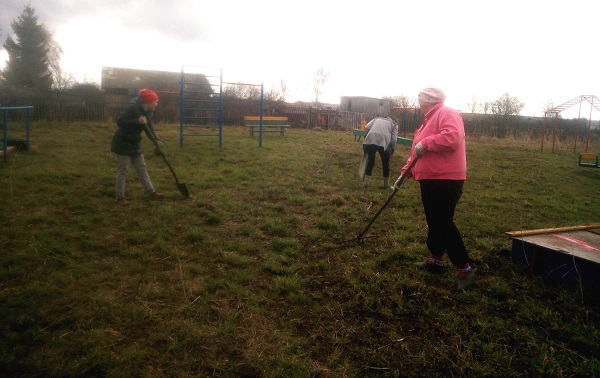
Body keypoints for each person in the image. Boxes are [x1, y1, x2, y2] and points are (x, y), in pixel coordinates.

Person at [394, 87, 474, 290]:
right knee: (433, 219)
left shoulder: (446, 113)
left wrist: (427, 142)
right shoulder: (427, 121)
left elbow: (453, 137)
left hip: (446, 178)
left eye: (421, 101)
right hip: (430, 178)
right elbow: (416, 153)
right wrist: (404, 174)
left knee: (443, 222)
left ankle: (465, 269)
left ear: (427, 101)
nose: (419, 105)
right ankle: (436, 260)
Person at [111, 89, 165, 206]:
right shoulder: (133, 108)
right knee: (124, 170)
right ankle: (120, 198)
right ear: (148, 102)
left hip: (134, 142)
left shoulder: (149, 112)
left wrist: (156, 140)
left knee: (142, 168)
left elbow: (149, 128)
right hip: (122, 142)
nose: (156, 103)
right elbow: (120, 121)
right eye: (155, 101)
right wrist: (137, 121)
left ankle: (151, 192)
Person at [362, 116, 398, 189]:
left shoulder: (376, 119)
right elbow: (394, 140)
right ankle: (386, 185)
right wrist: (392, 149)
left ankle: (365, 185)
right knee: (385, 163)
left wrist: (366, 137)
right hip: (383, 142)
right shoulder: (394, 124)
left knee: (370, 162)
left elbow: (366, 128)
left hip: (371, 139)